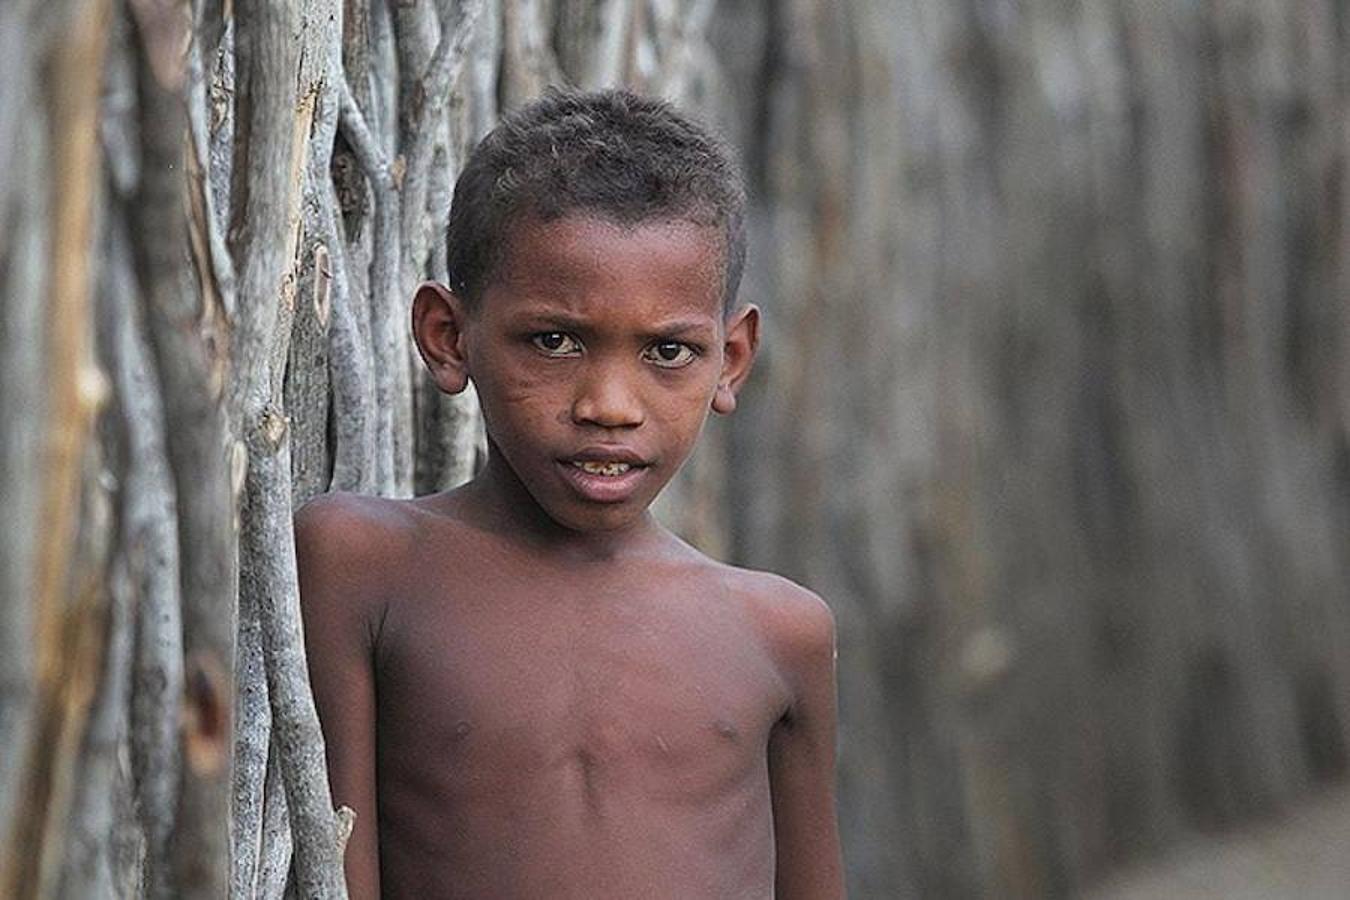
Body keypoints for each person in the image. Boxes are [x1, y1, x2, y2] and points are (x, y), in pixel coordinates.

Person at [295, 87, 844, 899]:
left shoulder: (779, 632)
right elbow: (333, 867)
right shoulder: (362, 567)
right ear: (449, 338)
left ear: (730, 359)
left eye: (667, 351)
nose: (609, 406)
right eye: (554, 341)